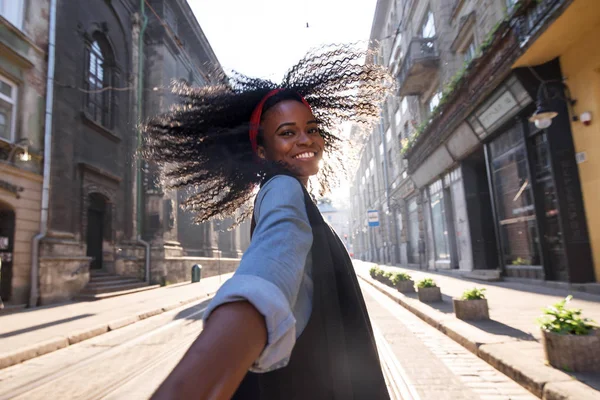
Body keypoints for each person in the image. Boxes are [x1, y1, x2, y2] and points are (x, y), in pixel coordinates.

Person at [144, 45, 393, 400]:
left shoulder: (292, 193)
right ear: (263, 151)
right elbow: (270, 267)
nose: (305, 139)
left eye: (311, 128)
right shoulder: (282, 190)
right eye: (287, 133)